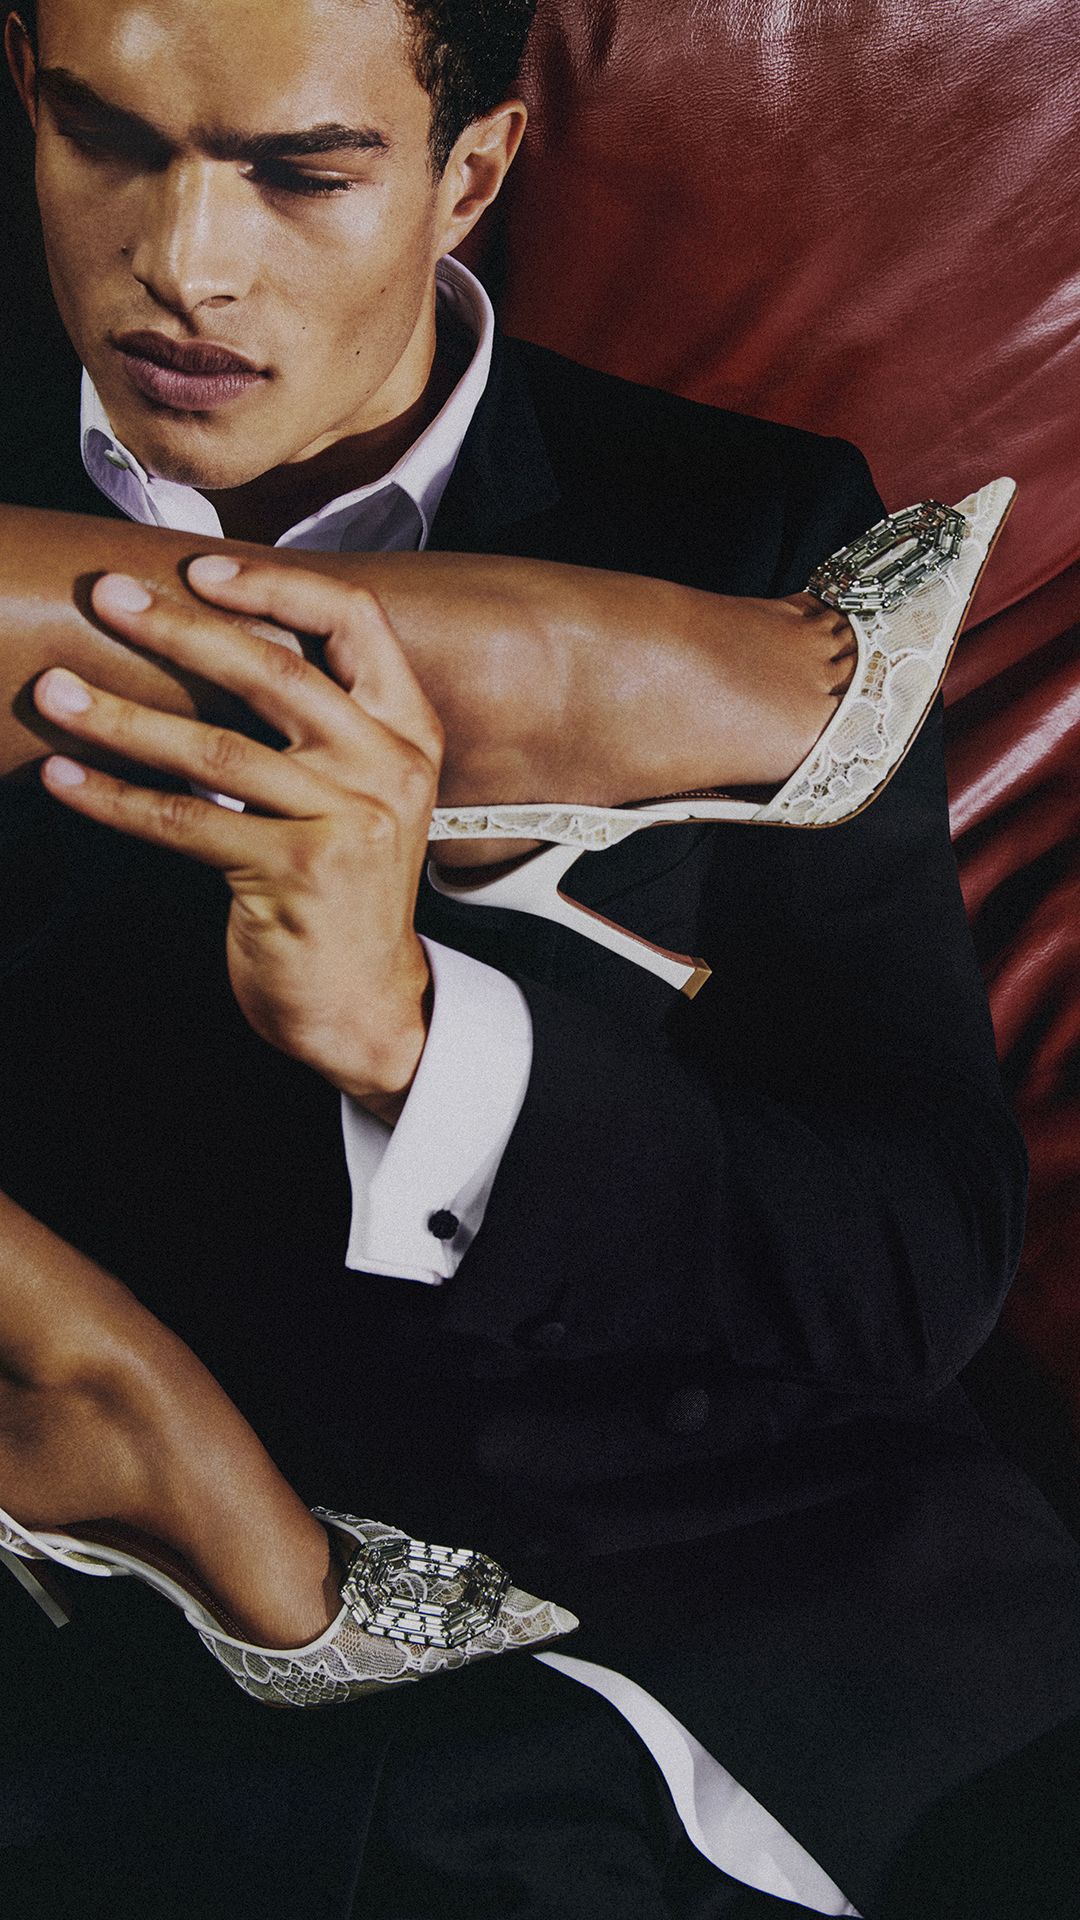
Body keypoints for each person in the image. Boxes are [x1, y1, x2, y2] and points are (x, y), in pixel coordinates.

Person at [1, 2, 1080, 1916]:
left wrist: (421, 1041)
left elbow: (911, 1260)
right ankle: (520, 668)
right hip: (111, 1687)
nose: (184, 264)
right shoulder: (788, 650)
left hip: (712, 1604)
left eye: (301, 174)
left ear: (470, 172)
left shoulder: (740, 525)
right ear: (25, 86)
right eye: (108, 140)